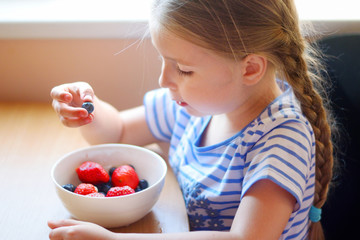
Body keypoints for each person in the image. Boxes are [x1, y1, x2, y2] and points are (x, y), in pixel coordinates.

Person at [48, 0, 336, 239]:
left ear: (249, 69)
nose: (164, 80)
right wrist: (87, 108)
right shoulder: (194, 104)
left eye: (183, 69)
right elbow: (119, 132)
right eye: (163, 60)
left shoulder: (282, 139)